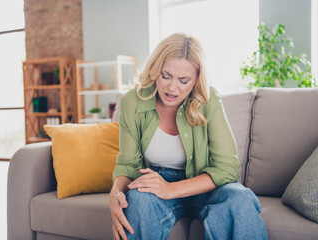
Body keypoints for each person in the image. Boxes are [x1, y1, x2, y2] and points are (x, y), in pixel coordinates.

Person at [109, 33, 267, 240]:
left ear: (196, 81)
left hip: (204, 184)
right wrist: (115, 192)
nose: (172, 87)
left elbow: (226, 169)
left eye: (184, 80)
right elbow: (128, 165)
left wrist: (171, 189)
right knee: (139, 200)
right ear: (155, 70)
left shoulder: (208, 100)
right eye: (165, 76)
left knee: (240, 199)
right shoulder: (132, 101)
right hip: (157, 183)